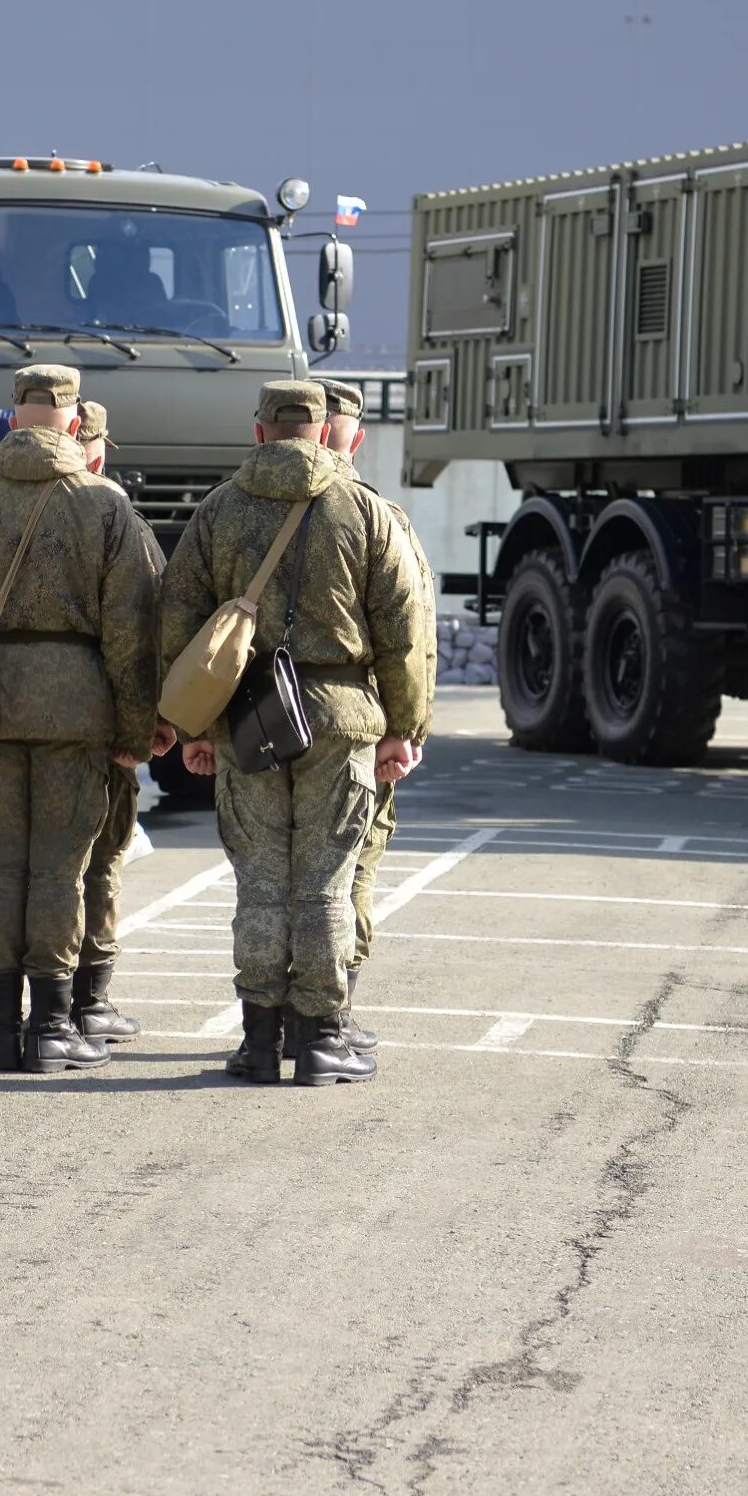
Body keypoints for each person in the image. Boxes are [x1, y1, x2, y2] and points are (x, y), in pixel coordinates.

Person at [160, 380, 429, 1087]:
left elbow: (179, 622)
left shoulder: (218, 511)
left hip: (247, 715)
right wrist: (404, 727)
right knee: (325, 885)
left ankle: (257, 1041)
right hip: (340, 717)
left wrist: (196, 726)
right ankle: (320, 1040)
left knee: (259, 882)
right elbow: (404, 631)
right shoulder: (365, 511)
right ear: (325, 433)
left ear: (259, 434)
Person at [0, 364, 163, 1075]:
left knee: (1, 863)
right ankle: (52, 1025)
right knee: (59, 868)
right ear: (76, 420)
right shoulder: (103, 505)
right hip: (78, 705)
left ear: (14, 416)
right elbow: (129, 631)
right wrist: (135, 729)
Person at [319, 377, 435, 1055]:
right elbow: (412, 638)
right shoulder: (379, 516)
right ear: (356, 438)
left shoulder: (237, 508)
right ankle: (332, 1016)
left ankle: (269, 1023)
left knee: (277, 876)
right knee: (353, 867)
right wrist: (406, 728)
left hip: (264, 726)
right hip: (358, 721)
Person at [72, 400, 159, 1042]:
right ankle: (88, 1000)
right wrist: (143, 731)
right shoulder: (122, 520)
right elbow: (147, 633)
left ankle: (18, 1007)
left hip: (14, 717)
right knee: (101, 860)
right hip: (100, 724)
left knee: (26, 864)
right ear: (97, 452)